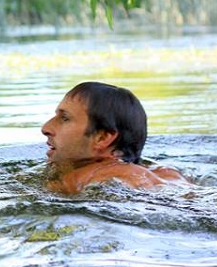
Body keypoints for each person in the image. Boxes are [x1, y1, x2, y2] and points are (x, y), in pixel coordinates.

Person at [41, 81, 187, 194]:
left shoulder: (78, 180)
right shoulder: (167, 174)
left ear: (102, 137)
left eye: (65, 118)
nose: (46, 128)